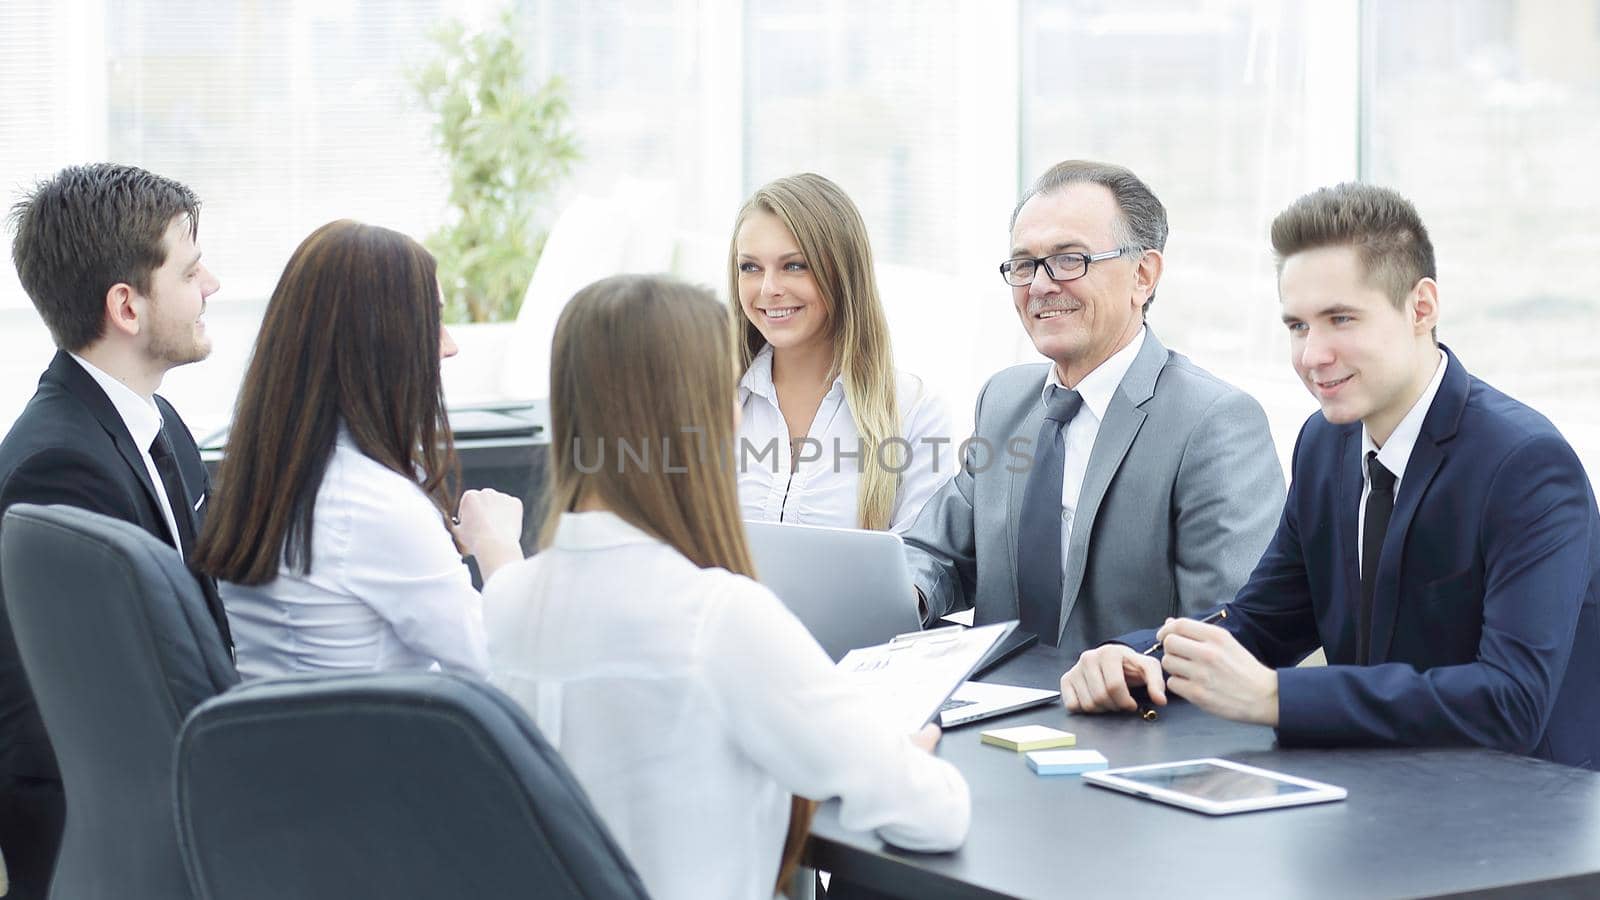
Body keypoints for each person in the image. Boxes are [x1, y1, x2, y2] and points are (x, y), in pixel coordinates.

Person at [1061, 183, 1600, 769]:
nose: (1313, 355)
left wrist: (1277, 697)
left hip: (1523, 817)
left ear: (1421, 308)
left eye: (1340, 319)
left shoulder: (1525, 465)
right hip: (1376, 790)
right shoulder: (1325, 443)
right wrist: (1136, 658)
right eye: (1297, 326)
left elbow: (1513, 702)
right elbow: (1261, 624)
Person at [483, 274, 969, 900]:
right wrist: (906, 758)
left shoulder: (507, 601)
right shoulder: (715, 619)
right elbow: (934, 816)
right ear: (706, 416)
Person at [901, 160, 1284, 656]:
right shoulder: (1003, 401)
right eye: (1023, 264)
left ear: (1143, 275)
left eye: (1069, 260)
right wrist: (907, 594)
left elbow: (1228, 630)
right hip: (987, 712)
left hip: (1134, 719)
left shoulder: (1214, 422)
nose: (1040, 285)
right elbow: (939, 552)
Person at [0, 163, 228, 900]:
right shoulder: (59, 465)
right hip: (111, 855)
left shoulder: (159, 423)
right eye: (191, 271)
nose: (212, 285)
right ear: (126, 307)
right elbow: (81, 721)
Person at [192, 220, 523, 680]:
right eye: (435, 322)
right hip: (371, 749)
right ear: (382, 345)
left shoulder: (273, 478)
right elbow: (516, 672)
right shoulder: (374, 505)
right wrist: (499, 548)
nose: (449, 346)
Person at [730, 173, 953, 532]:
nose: (769, 288)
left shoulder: (913, 412)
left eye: (794, 265)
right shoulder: (709, 402)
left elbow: (920, 566)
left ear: (843, 273)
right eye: (750, 267)